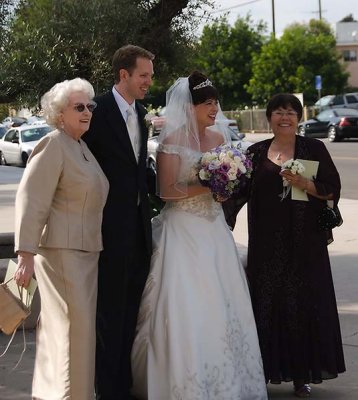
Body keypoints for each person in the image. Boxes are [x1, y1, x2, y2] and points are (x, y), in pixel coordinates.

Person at [130, 71, 268, 400]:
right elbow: (166, 191)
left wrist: (223, 190)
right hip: (183, 230)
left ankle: (231, 382)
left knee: (224, 299)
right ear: (189, 107)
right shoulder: (171, 142)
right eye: (208, 103)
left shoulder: (219, 142)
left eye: (216, 102)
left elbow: (224, 189)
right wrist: (206, 183)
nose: (214, 108)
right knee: (188, 301)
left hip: (213, 229)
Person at [224, 93, 346, 398]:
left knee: (302, 306)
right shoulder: (255, 152)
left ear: (299, 118)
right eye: (279, 112)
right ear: (269, 118)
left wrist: (306, 185)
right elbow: (238, 192)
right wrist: (218, 213)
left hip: (305, 245)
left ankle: (300, 375)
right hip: (266, 245)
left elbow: (333, 187)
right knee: (266, 306)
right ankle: (264, 370)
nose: (285, 117)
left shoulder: (313, 148)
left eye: (291, 112)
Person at [13, 78, 109, 400]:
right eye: (78, 106)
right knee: (72, 332)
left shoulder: (80, 146)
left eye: (90, 106)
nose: (87, 112)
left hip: (86, 252)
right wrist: (25, 253)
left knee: (76, 334)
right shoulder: (53, 144)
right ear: (59, 112)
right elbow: (32, 198)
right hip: (61, 254)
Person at [82, 44, 154, 399]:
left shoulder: (141, 113)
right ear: (123, 74)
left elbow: (139, 173)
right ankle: (107, 391)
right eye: (144, 75)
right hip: (106, 233)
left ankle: (122, 387)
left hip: (139, 233)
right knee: (108, 318)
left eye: (151, 76)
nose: (149, 82)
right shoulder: (94, 110)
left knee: (129, 317)